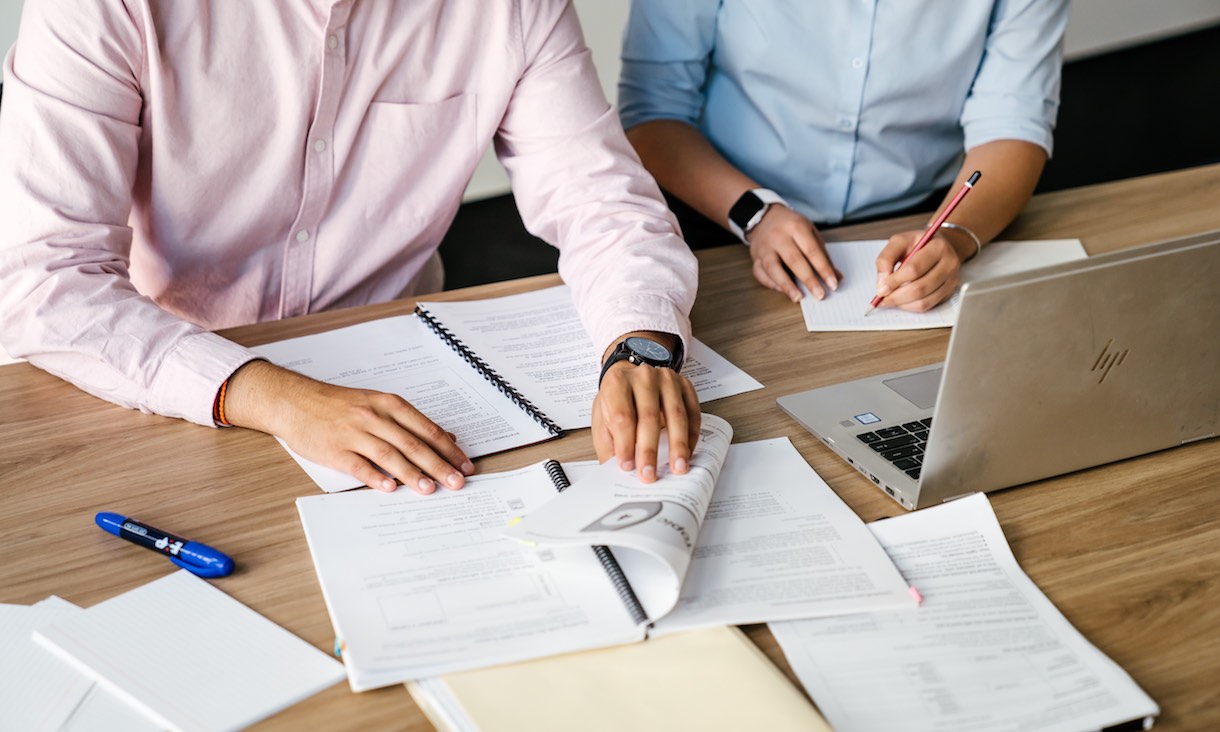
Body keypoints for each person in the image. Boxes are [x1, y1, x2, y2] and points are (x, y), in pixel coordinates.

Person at [0, 0, 699, 491]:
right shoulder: (102, 5)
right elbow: (46, 280)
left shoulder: (510, 7)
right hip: (144, 381)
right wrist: (273, 396)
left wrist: (639, 340)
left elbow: (599, 198)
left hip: (400, 381)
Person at [618, 0, 1069, 311]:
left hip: (923, 217)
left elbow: (1013, 123)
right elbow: (654, 113)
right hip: (722, 212)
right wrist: (755, 214)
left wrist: (952, 236)